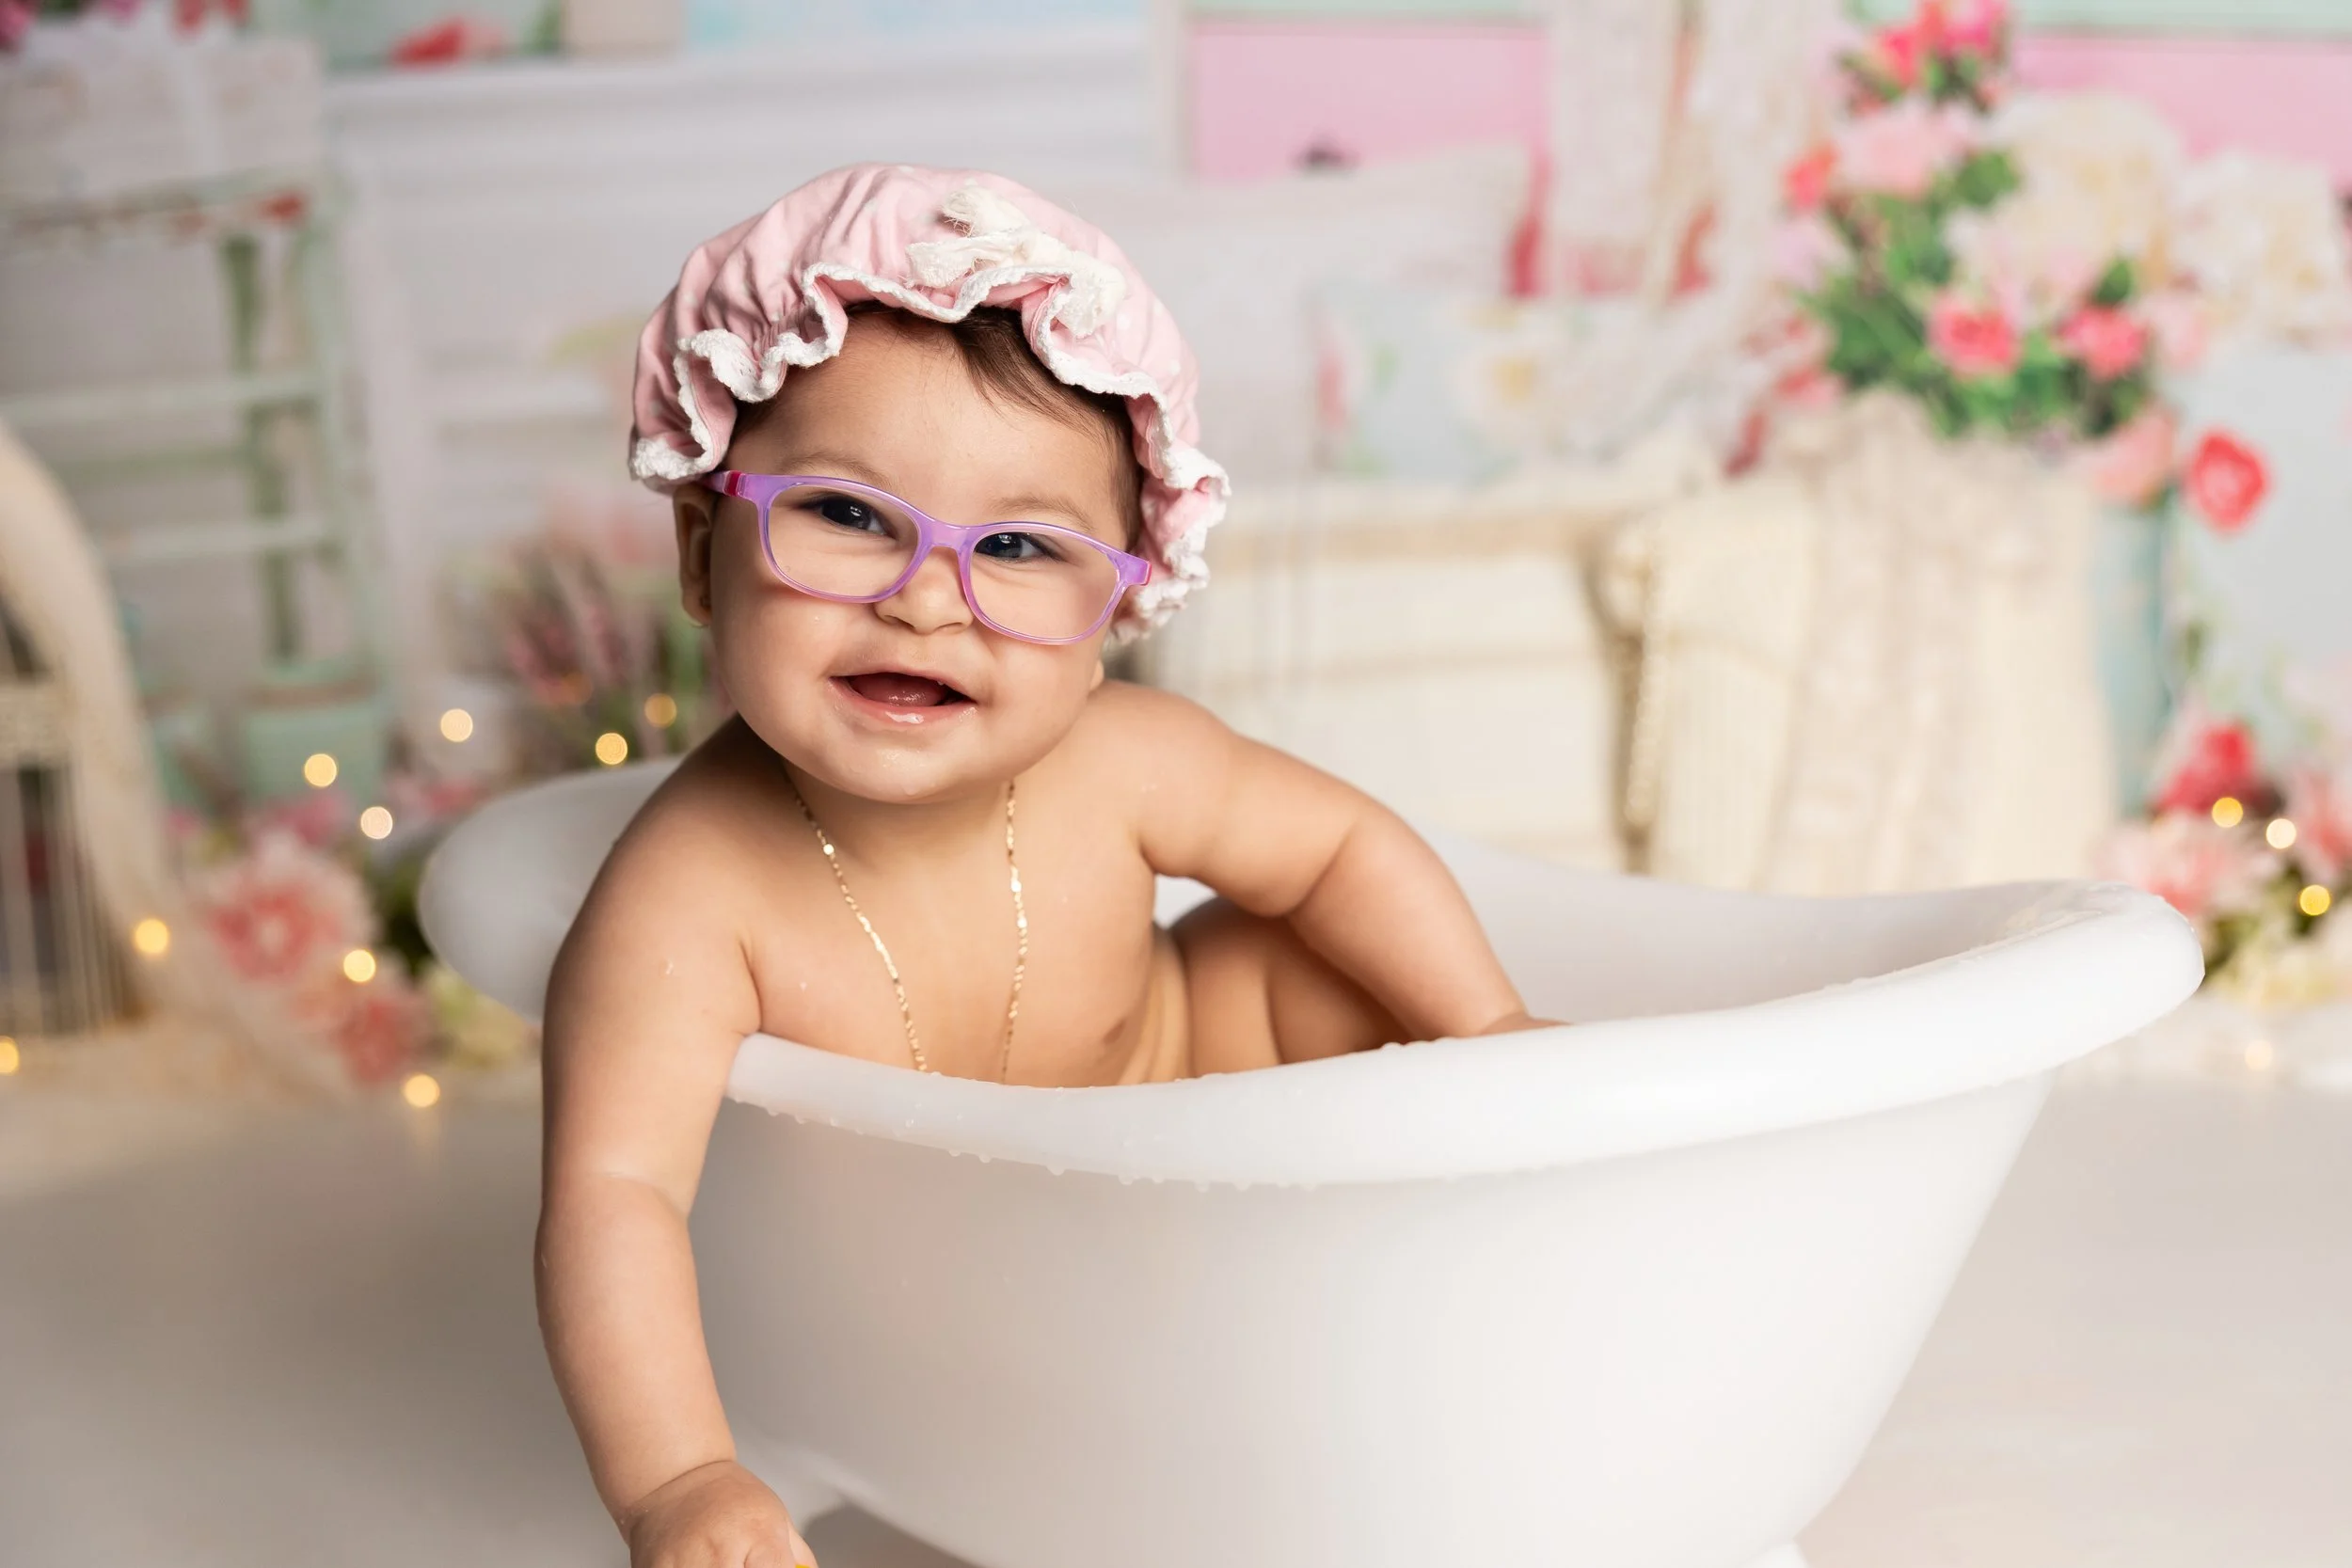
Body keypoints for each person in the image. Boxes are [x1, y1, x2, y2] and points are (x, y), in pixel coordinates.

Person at [539, 164, 1555, 1568]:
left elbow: (1337, 846)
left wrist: (1488, 1031)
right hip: (944, 1310)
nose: (925, 591)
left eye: (1017, 545)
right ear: (705, 546)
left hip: (1214, 1158)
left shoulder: (1125, 758)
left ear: (1118, 604)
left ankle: (1466, 1314)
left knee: (1305, 966)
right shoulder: (687, 894)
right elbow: (617, 1194)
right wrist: (683, 1481)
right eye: (844, 513)